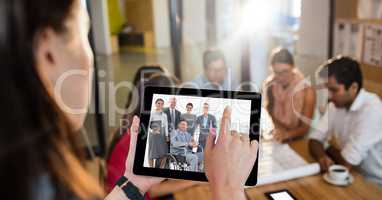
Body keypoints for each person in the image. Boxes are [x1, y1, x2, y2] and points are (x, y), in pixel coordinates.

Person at [0, 0, 258, 199]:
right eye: (85, 33)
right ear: (48, 55)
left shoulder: (29, 178)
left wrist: (133, 183)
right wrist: (228, 190)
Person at [308, 56, 382, 185]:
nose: (329, 96)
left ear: (353, 87)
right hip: (351, 176)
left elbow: (347, 162)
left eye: (334, 90)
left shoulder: (372, 110)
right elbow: (314, 139)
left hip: (375, 183)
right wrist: (322, 156)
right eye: (327, 89)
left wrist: (326, 147)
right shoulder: (336, 104)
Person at [264, 47, 316, 143]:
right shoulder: (270, 85)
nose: (281, 77)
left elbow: (305, 128)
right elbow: (270, 110)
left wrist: (286, 134)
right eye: (276, 72)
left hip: (300, 139)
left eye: (285, 71)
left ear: (293, 67)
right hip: (279, 136)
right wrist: (280, 131)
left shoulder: (306, 89)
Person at [148, 98, 169, 168]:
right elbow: (147, 125)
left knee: (164, 153)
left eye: (162, 104)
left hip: (162, 135)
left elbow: (166, 126)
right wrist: (153, 131)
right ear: (155, 104)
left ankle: (161, 169)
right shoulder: (151, 113)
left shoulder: (164, 115)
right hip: (153, 135)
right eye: (158, 103)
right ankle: (151, 169)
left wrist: (166, 136)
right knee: (151, 153)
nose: (160, 105)